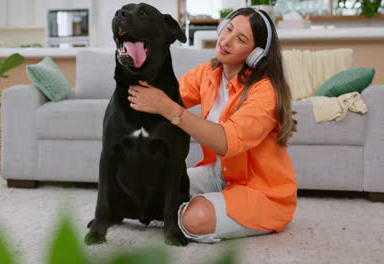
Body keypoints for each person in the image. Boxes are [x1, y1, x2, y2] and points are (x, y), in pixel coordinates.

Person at [127, 7, 298, 243]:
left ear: (255, 54)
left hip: (261, 191)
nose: (226, 41)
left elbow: (227, 140)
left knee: (194, 219)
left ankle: (193, 209)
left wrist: (168, 108)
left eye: (241, 39)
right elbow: (165, 94)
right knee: (150, 186)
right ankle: (183, 206)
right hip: (218, 175)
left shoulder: (265, 92)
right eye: (228, 30)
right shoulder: (209, 73)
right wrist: (142, 53)